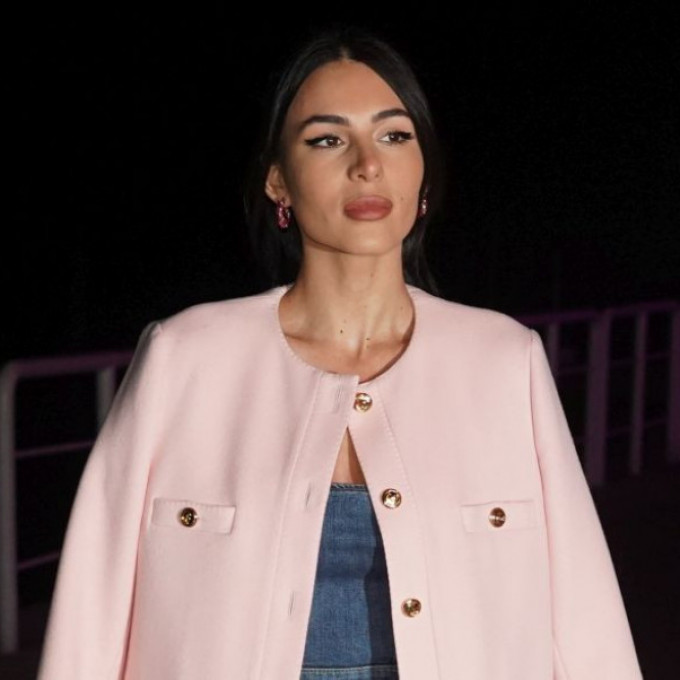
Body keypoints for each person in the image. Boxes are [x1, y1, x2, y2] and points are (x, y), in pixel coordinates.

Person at [38, 25, 643, 680]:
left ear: (425, 174)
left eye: (394, 136)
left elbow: (584, 623)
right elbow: (89, 619)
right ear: (278, 181)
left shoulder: (503, 361)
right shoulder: (184, 358)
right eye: (327, 139)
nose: (367, 164)